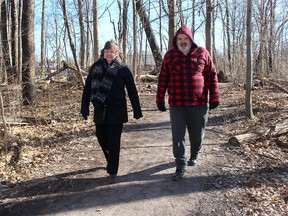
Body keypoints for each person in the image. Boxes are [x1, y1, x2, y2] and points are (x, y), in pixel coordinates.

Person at [156, 25, 220, 181]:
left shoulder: (202, 53)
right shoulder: (170, 55)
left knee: (197, 134)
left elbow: (212, 76)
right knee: (178, 136)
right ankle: (180, 165)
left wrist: (215, 97)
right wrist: (159, 98)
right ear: (175, 40)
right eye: (180, 39)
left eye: (186, 39)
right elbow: (163, 78)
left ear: (191, 39)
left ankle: (195, 153)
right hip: (177, 104)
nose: (183, 42)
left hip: (198, 103)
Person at [81, 40, 143, 183]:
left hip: (117, 111)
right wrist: (84, 107)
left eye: (112, 51)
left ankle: (112, 171)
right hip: (100, 110)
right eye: (106, 51)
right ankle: (111, 160)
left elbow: (132, 91)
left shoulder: (123, 69)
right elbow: (87, 89)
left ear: (116, 53)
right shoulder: (95, 67)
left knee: (114, 142)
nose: (109, 54)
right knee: (101, 137)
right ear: (103, 52)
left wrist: (137, 110)